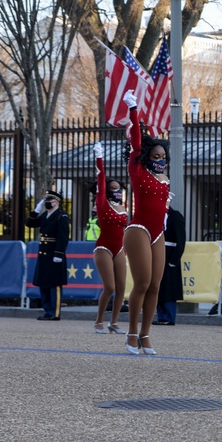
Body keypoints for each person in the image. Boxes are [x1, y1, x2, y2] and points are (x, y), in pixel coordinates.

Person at [121, 89, 170, 355]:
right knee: (141, 283)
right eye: (156, 157)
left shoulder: (165, 178)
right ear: (146, 158)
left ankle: (146, 334)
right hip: (138, 229)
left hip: (157, 233)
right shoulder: (138, 170)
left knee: (155, 285)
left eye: (163, 158)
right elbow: (138, 142)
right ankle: (130, 332)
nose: (161, 161)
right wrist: (134, 110)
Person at [92, 142, 128, 334]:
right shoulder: (102, 204)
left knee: (122, 288)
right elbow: (100, 177)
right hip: (103, 248)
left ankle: (114, 322)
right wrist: (99, 157)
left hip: (119, 248)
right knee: (110, 287)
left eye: (119, 188)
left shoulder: (123, 208)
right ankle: (98, 320)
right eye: (114, 188)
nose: (118, 190)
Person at [26, 190, 70, 321]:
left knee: (54, 283)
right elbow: (29, 223)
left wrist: (59, 254)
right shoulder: (45, 215)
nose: (46, 204)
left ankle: (55, 313)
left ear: (56, 202)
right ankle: (47, 310)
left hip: (54, 252)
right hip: (43, 254)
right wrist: (36, 211)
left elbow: (63, 237)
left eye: (48, 202)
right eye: (45, 202)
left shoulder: (61, 216)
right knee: (43, 282)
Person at [155, 207, 186, 325]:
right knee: (158, 285)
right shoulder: (157, 215)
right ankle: (161, 316)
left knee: (169, 287)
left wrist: (175, 259)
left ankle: (169, 316)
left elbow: (181, 239)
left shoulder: (175, 216)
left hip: (169, 254)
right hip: (158, 252)